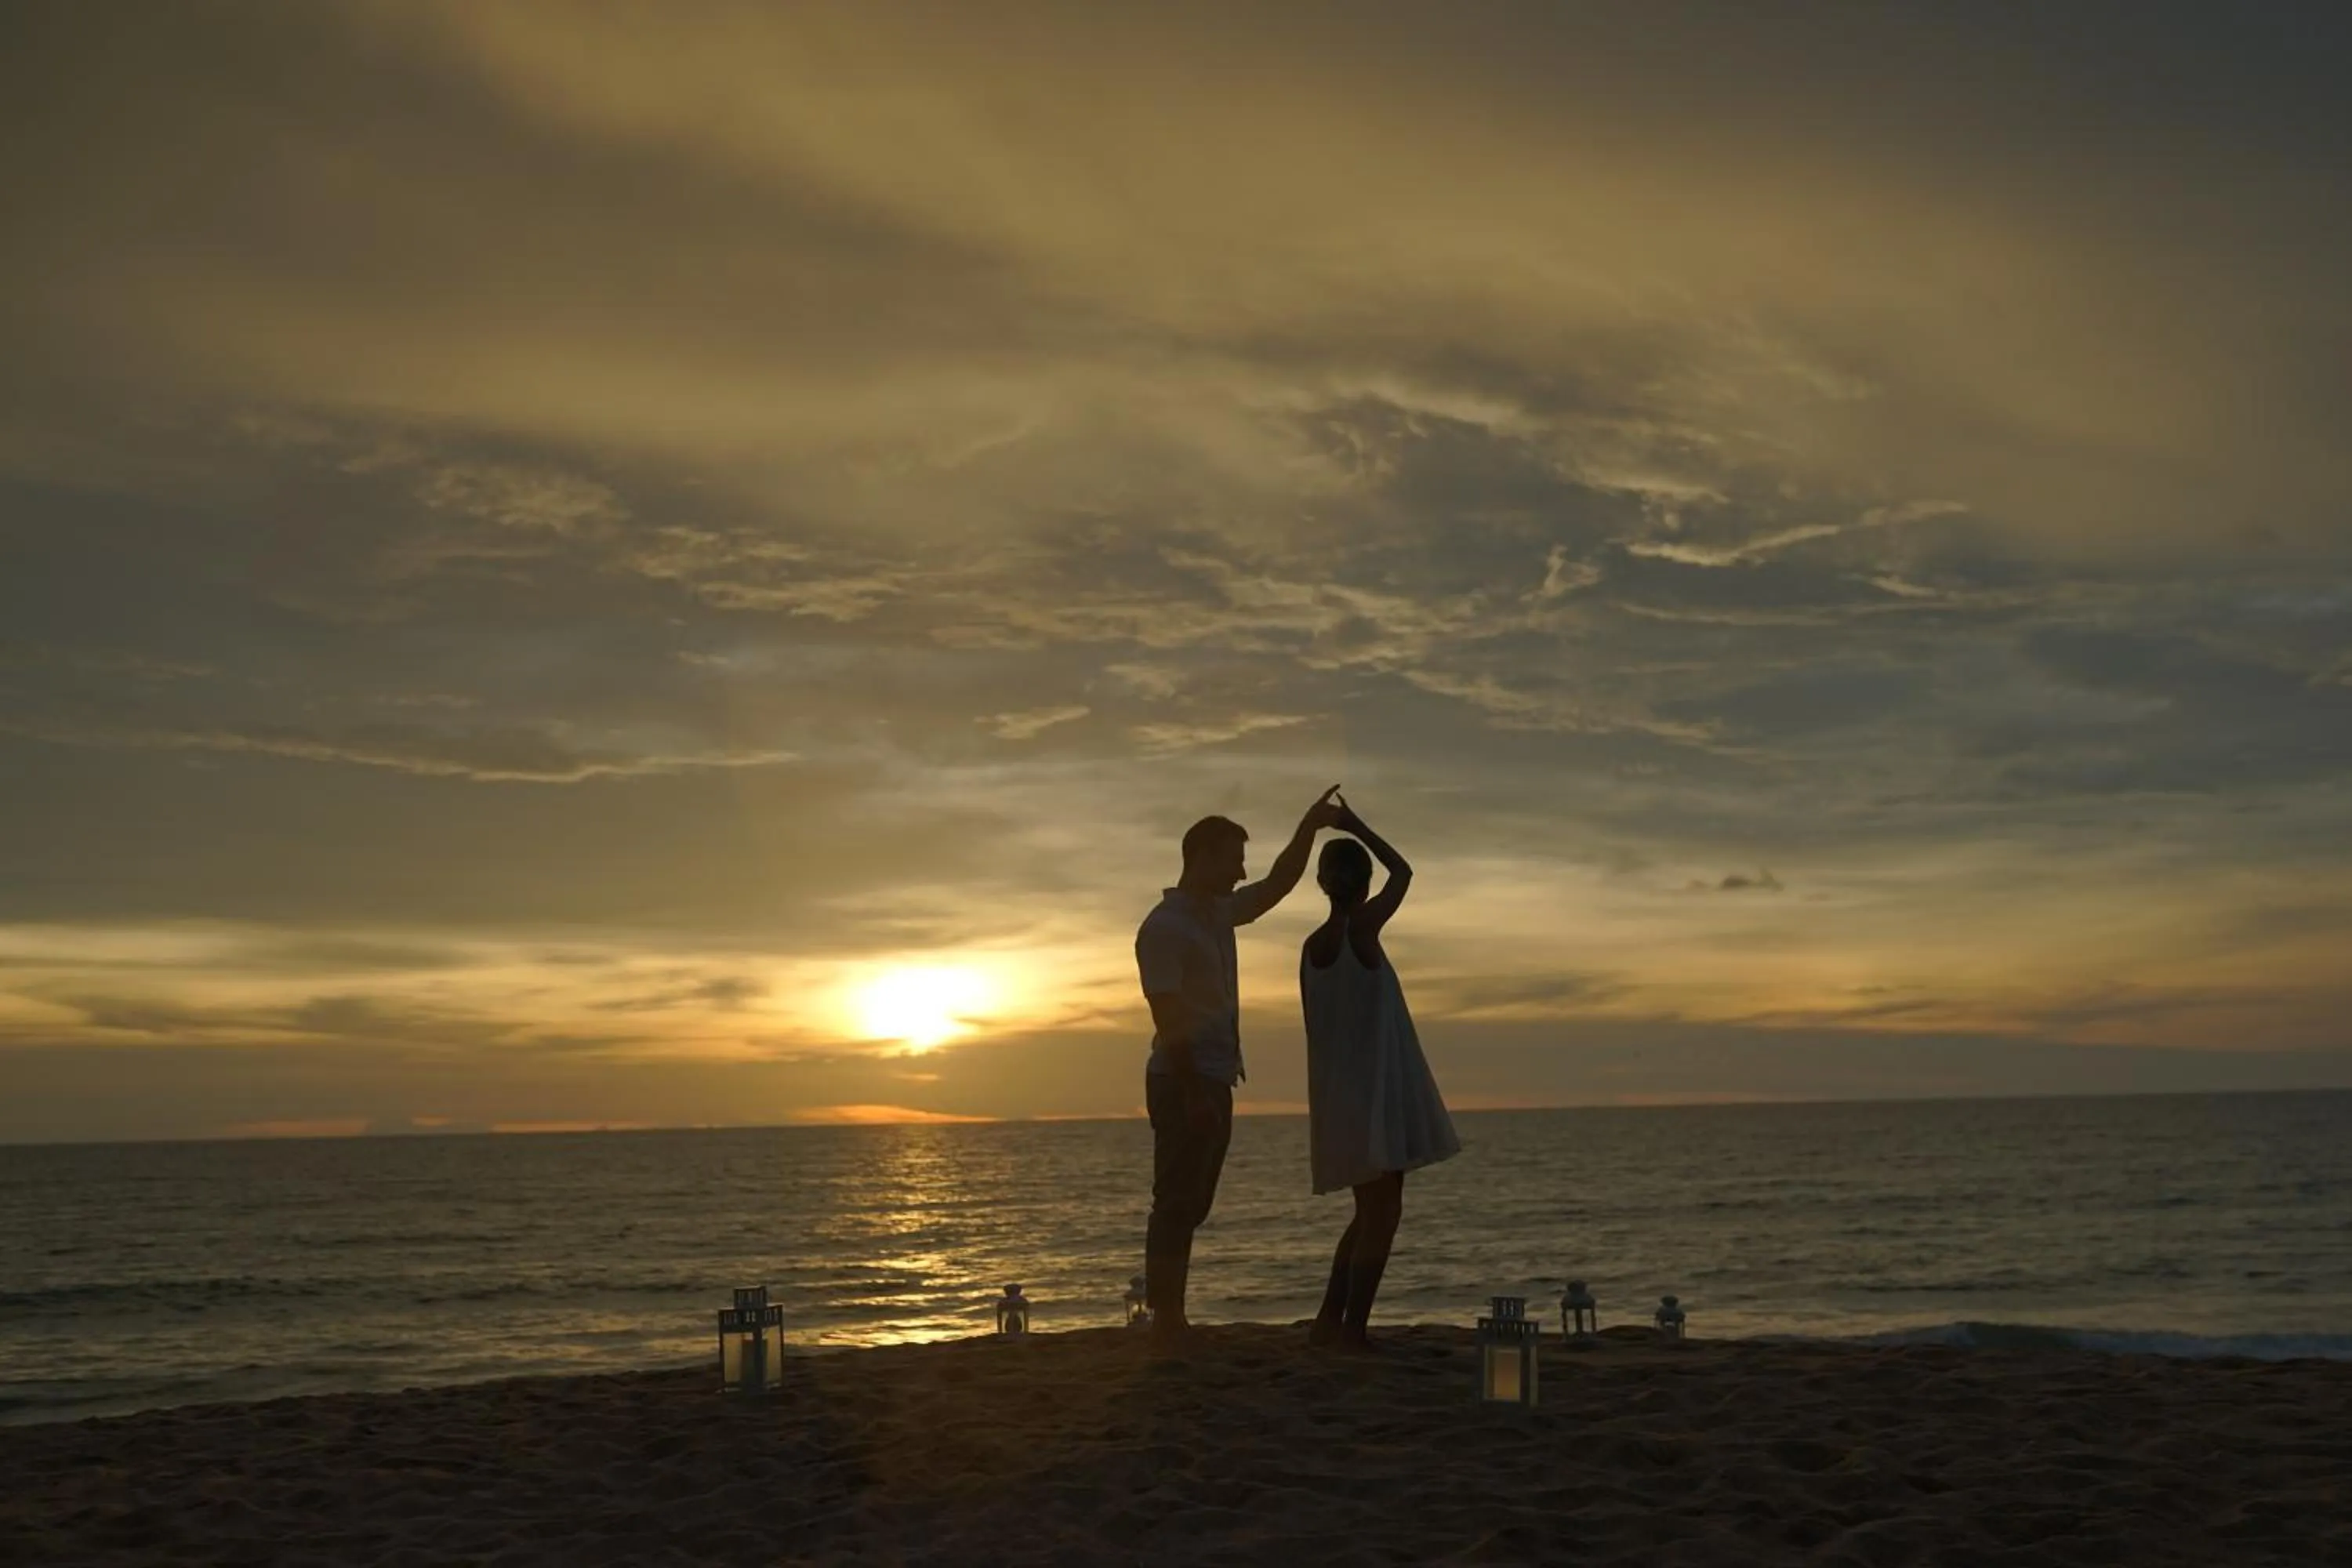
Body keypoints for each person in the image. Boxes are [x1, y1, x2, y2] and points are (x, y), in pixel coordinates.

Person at [1136, 785, 1343, 1350]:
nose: (1240, 871)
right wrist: (1194, 1094)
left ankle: (1170, 1312)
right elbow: (1167, 1012)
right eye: (1232, 860)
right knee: (1176, 1197)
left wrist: (1310, 826)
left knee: (1195, 1199)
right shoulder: (1165, 927)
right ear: (1201, 857)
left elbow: (1277, 884)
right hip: (1183, 1078)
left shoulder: (1217, 916)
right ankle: (1165, 1317)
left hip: (1215, 1076)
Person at [1299, 794, 1460, 1349]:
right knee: (1383, 1213)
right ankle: (1353, 1329)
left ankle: (1329, 1321)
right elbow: (1405, 870)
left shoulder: (1311, 947)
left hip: (1340, 1094)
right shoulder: (1360, 933)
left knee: (1368, 1211)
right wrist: (1353, 824)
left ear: (1322, 883)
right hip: (1373, 1091)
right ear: (1362, 886)